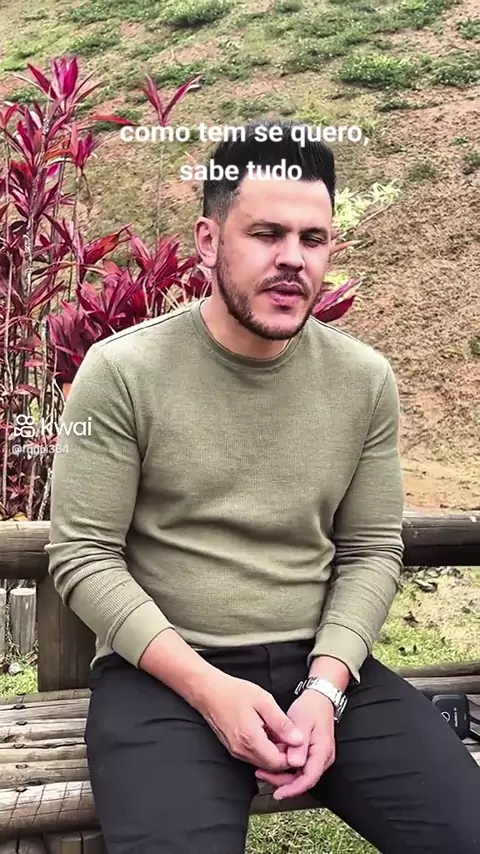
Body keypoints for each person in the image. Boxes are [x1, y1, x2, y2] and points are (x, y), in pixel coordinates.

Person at [45, 119, 480, 854]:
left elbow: (372, 549)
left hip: (325, 669)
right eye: (266, 234)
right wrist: (209, 689)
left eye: (313, 239)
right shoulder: (123, 372)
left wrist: (327, 687)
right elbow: (84, 554)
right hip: (165, 674)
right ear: (209, 241)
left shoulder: (363, 380)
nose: (292, 259)